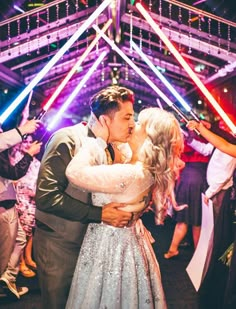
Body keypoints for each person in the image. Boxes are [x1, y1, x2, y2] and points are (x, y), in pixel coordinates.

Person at [65, 107, 185, 308]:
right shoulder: (143, 166)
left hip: (111, 246)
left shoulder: (132, 174)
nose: (132, 125)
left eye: (138, 124)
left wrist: (99, 140)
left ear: (148, 137)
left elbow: (74, 172)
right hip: (126, 242)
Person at [34, 86, 136, 309]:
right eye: (127, 117)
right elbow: (46, 196)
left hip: (92, 244)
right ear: (104, 120)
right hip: (61, 244)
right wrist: (100, 214)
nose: (132, 124)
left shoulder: (112, 148)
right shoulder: (67, 139)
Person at [0, 139, 42, 299]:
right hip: (3, 203)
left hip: (7, 201)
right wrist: (29, 154)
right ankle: (5, 282)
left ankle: (8, 279)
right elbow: (13, 173)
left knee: (20, 239)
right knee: (5, 250)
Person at [164, 135, 209, 259]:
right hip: (200, 177)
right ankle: (197, 254)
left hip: (186, 178)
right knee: (197, 221)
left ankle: (173, 249)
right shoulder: (210, 138)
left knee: (183, 218)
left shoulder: (183, 138)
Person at [10, 135, 41, 278]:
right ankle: (20, 262)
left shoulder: (36, 162)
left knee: (30, 230)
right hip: (20, 198)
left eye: (30, 142)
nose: (28, 144)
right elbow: (13, 177)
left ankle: (28, 258)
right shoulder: (15, 157)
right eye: (25, 141)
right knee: (21, 231)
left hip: (32, 198)